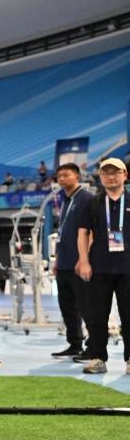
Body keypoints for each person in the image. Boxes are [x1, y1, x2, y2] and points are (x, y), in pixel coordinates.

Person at [76, 157, 130, 375]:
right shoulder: (92, 202)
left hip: (128, 268)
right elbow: (82, 233)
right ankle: (98, 358)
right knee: (97, 316)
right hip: (99, 268)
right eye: (106, 172)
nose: (110, 176)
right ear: (100, 177)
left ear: (125, 175)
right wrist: (84, 260)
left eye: (115, 172)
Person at [51, 163, 94, 360]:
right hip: (64, 264)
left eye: (66, 175)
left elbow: (91, 231)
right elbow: (62, 235)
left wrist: (84, 260)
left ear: (76, 176)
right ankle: (74, 344)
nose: (61, 179)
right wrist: (57, 260)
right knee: (67, 306)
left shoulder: (86, 199)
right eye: (59, 176)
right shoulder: (66, 200)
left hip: (79, 264)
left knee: (86, 306)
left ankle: (93, 347)